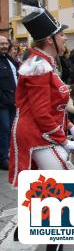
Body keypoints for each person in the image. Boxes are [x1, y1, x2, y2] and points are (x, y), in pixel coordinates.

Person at [8, 0, 74, 251]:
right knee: (64, 185)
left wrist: (71, 127)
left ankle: (28, 227)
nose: (65, 38)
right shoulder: (40, 65)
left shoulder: (44, 61)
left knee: (50, 186)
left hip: (37, 132)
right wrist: (63, 138)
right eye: (61, 35)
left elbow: (53, 106)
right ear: (50, 39)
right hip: (37, 135)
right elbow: (42, 112)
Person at [0, 35, 18, 171]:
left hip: (13, 102)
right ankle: (3, 159)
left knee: (11, 129)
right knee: (4, 129)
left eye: (6, 44)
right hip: (2, 104)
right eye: (1, 44)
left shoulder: (10, 60)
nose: (4, 46)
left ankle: (9, 155)